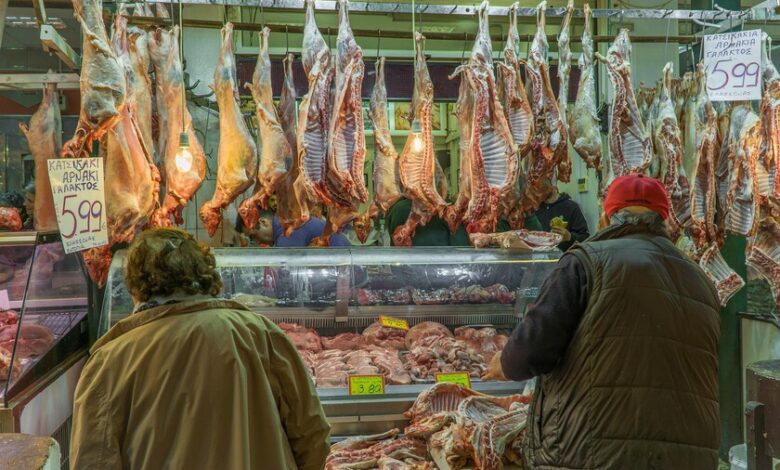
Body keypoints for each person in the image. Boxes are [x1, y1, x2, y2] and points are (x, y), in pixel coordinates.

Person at [485, 174, 720, 469]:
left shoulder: (584, 262)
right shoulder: (701, 280)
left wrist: (505, 362)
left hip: (593, 453)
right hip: (688, 458)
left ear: (606, 218)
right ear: (665, 220)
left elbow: (532, 350)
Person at [70, 228, 331, 469]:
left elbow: (94, 461)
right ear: (204, 273)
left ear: (135, 286)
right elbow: (312, 435)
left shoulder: (110, 362)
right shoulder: (260, 334)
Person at [534, 180, 589, 251]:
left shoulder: (571, 207)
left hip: (565, 255)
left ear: (554, 187)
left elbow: (585, 238)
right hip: (537, 255)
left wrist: (570, 237)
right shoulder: (535, 208)